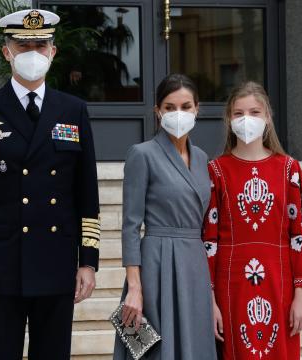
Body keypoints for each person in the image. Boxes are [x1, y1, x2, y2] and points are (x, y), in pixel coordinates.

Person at [0, 9, 101, 360]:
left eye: (40, 44)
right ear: (7, 52)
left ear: (53, 51)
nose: (32, 52)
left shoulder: (73, 110)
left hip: (57, 262)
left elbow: (86, 193)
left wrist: (87, 261)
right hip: (0, 268)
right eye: (23, 45)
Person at [202, 81, 302, 359]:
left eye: (254, 112)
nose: (246, 119)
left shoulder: (288, 168)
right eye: (238, 113)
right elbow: (208, 240)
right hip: (231, 285)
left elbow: (300, 233)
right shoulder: (216, 170)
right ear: (229, 119)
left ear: (267, 117)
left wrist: (301, 294)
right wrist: (210, 300)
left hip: (280, 283)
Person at [114, 74, 217, 359]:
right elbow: (131, 226)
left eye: (185, 106)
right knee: (151, 349)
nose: (178, 113)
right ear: (157, 111)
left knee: (193, 344)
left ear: (197, 108)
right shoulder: (142, 154)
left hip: (194, 264)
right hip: (156, 264)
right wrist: (134, 288)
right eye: (170, 107)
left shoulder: (202, 158)